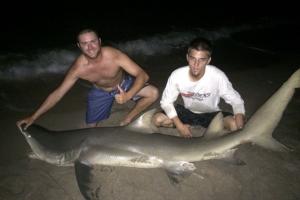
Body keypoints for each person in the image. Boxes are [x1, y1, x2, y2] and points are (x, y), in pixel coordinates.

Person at [17, 29, 159, 129]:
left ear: (99, 41)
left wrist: (129, 95)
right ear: (79, 46)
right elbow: (57, 94)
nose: (90, 47)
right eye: (85, 43)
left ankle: (127, 119)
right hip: (100, 92)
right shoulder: (78, 68)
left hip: (124, 85)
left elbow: (142, 74)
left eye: (93, 42)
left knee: (153, 93)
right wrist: (33, 117)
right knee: (91, 128)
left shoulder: (113, 55)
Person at [152, 37, 245, 138]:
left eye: (202, 60)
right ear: (187, 57)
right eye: (193, 58)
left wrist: (240, 129)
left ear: (208, 60)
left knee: (234, 125)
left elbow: (236, 101)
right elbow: (166, 102)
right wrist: (180, 126)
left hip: (211, 115)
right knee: (157, 120)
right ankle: (186, 126)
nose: (196, 64)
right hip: (187, 113)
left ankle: (219, 128)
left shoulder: (217, 76)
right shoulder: (177, 75)